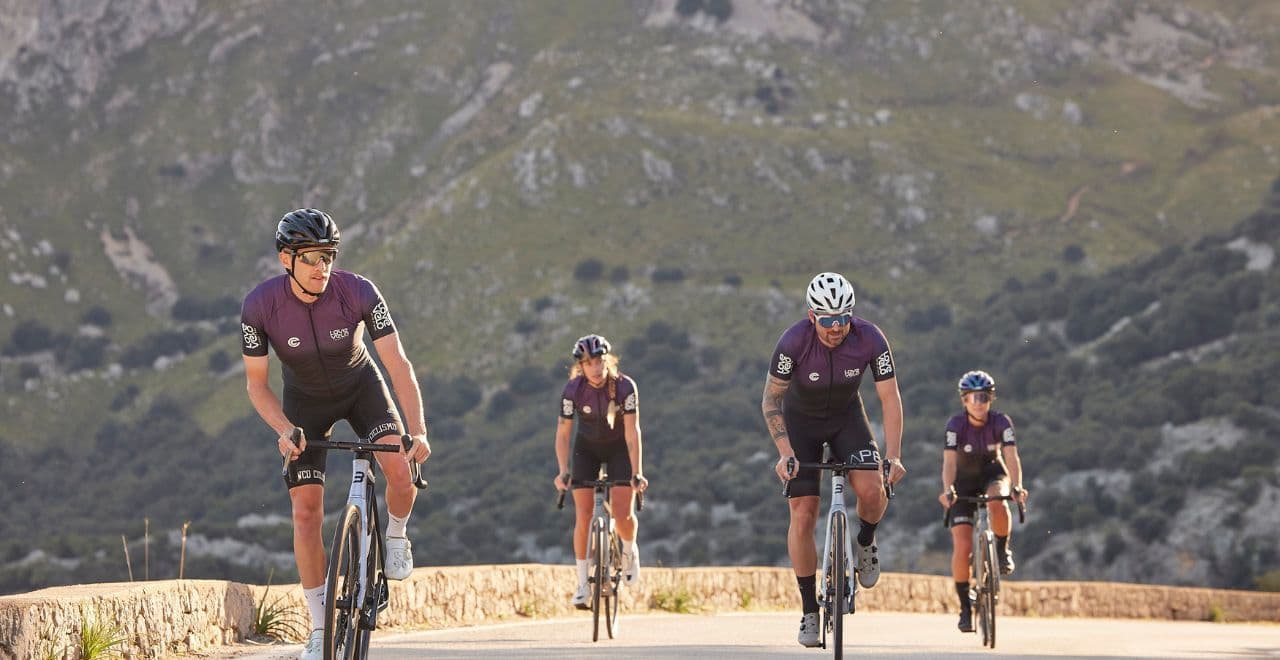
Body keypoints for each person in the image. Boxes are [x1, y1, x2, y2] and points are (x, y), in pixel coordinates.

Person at [240, 208, 431, 660]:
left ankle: (398, 536)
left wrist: (418, 430)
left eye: (327, 256)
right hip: (304, 404)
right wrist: (285, 430)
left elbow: (398, 364)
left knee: (400, 472)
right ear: (286, 259)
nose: (321, 267)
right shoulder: (260, 307)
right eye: (310, 258)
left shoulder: (359, 292)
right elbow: (256, 385)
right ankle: (321, 627)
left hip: (362, 388)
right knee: (305, 513)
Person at [763, 272, 905, 648]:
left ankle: (865, 541)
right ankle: (810, 609)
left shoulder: (870, 338)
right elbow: (771, 401)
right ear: (812, 316)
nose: (836, 327)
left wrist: (893, 455)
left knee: (874, 490)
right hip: (801, 426)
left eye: (843, 317)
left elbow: (890, 399)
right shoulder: (794, 341)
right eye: (827, 319)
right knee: (804, 512)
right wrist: (785, 453)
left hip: (847, 419)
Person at [552, 334, 649, 609]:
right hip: (587, 450)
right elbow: (562, 435)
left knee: (622, 513)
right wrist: (562, 471)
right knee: (583, 515)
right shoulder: (573, 390)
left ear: (608, 361)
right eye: (589, 363)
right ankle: (583, 583)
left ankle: (629, 549)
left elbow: (632, 432)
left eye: (599, 361)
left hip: (619, 449)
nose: (595, 368)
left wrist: (637, 471)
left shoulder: (625, 387)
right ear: (581, 366)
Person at [937, 370, 1028, 633]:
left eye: (984, 397)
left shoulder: (1001, 422)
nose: (979, 402)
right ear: (964, 400)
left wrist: (1017, 485)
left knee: (997, 500)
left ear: (991, 399)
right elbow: (949, 462)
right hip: (963, 480)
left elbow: (1011, 457)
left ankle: (1001, 549)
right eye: (973, 397)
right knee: (962, 545)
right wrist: (948, 490)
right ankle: (965, 606)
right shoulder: (955, 426)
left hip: (992, 472)